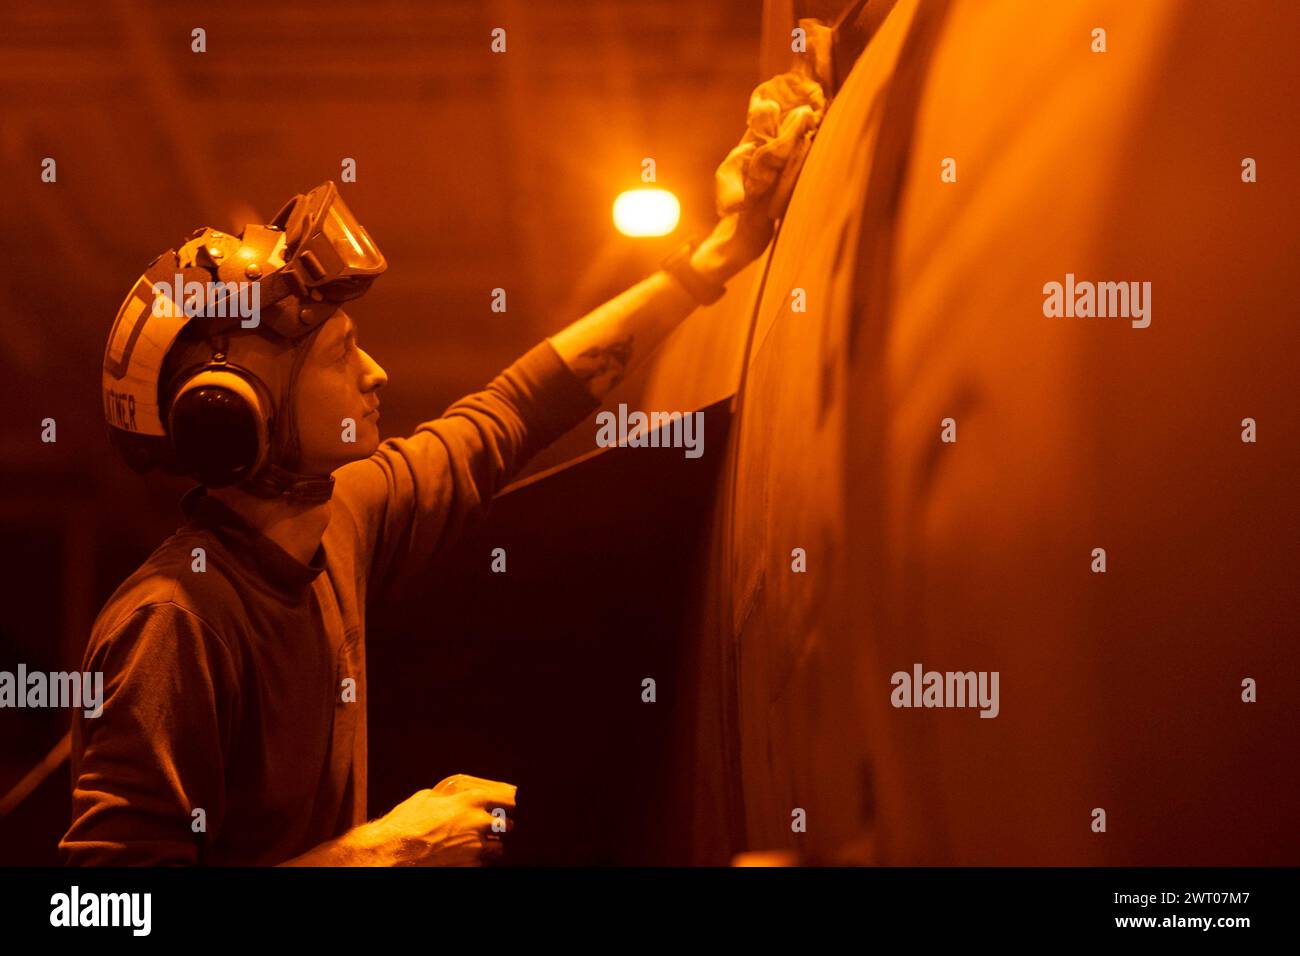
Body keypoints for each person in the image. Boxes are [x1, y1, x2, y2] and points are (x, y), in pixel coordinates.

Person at [60, 90, 804, 864]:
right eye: (343, 352)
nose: (377, 374)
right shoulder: (173, 624)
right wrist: (382, 854)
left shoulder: (339, 520)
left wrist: (720, 252)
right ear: (235, 412)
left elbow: (510, 411)